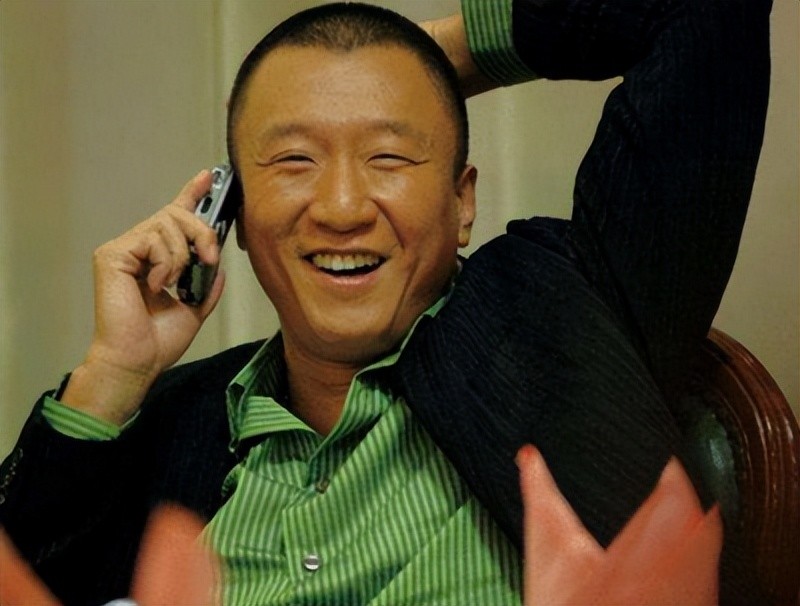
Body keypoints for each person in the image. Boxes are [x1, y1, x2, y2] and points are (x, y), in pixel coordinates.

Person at [0, 0, 771, 604]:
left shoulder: (563, 320)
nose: (341, 207)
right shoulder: (177, 423)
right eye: (294, 160)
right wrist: (112, 377)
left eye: (389, 156)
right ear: (230, 212)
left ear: (462, 203)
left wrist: (437, 53)